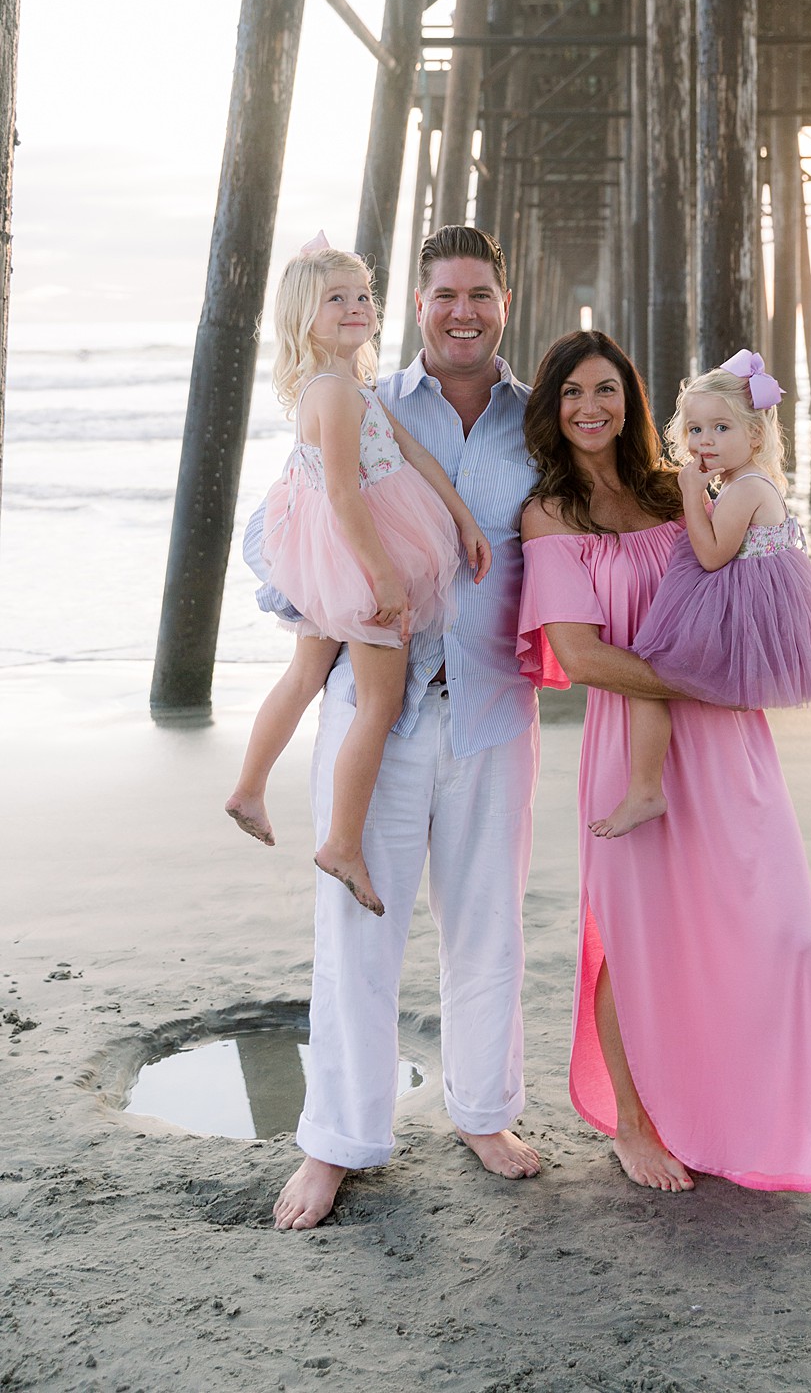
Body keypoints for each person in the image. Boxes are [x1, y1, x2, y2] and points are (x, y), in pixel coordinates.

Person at [517, 330, 811, 1194]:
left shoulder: (680, 490)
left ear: (635, 404)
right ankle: (634, 1125)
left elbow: (749, 585)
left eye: (607, 390)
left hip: (729, 744)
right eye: (571, 393)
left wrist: (753, 672)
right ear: (550, 409)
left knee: (788, 941)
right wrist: (698, 684)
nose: (590, 408)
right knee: (633, 947)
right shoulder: (550, 516)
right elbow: (582, 655)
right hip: (634, 742)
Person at [243, 226, 542, 1230]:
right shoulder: (364, 398)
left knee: (488, 923)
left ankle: (483, 1112)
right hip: (383, 707)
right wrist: (340, 595)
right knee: (355, 931)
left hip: (495, 707)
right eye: (444, 295)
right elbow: (275, 531)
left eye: (482, 295)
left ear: (507, 301)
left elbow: (636, 474)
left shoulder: (541, 423)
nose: (464, 312)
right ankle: (337, 1142)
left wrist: (729, 490)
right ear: (419, 306)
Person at [226, 238, 491, 920]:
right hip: (359, 558)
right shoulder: (335, 394)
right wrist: (385, 580)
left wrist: (462, 517)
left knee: (305, 674)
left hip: (334, 555)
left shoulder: (351, 387)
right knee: (379, 702)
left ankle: (250, 788)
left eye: (361, 296)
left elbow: (415, 455)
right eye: (334, 300)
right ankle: (342, 842)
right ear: (302, 318)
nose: (353, 308)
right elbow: (345, 496)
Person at [590, 349, 811, 839]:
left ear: (755, 434)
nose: (704, 440)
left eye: (721, 429)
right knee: (651, 671)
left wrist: (692, 492)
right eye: (695, 430)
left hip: (738, 609)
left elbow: (710, 555)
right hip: (742, 597)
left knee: (645, 672)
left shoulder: (746, 487)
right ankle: (650, 784)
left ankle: (646, 789)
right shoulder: (744, 480)